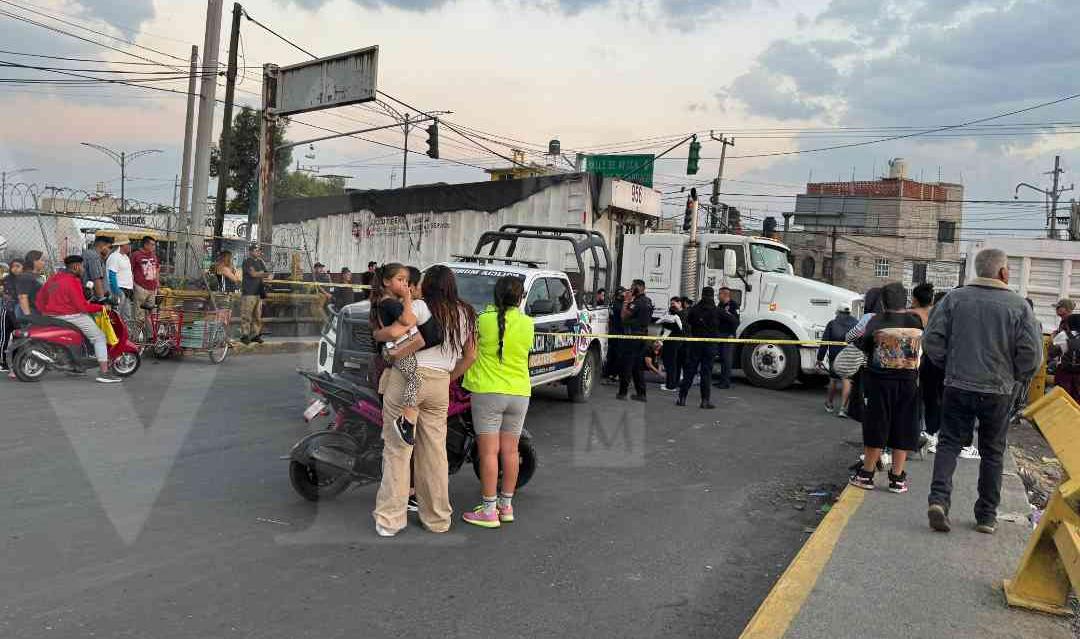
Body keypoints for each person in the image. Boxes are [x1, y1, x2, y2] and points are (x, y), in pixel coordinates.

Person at [925, 248, 1042, 534]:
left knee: (950, 443)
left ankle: (939, 500)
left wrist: (949, 365)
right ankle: (986, 516)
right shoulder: (1018, 306)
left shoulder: (954, 298)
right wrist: (1014, 376)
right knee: (992, 451)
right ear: (1003, 272)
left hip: (958, 384)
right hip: (998, 390)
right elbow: (1032, 356)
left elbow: (932, 340)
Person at [373, 265, 476, 537]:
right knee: (434, 453)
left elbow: (395, 333)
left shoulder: (419, 307)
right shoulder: (466, 313)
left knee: (398, 449)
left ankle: (390, 521)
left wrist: (379, 339)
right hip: (440, 384)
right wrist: (447, 378)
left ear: (427, 285)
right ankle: (438, 519)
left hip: (408, 379)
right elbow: (470, 356)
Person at [461, 275, 534, 528]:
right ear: (520, 297)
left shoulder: (482, 321)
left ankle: (489, 511)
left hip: (488, 392)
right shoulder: (528, 324)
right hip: (520, 393)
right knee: (511, 451)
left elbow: (468, 352)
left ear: (495, 296)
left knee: (489, 452)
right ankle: (506, 506)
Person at [849, 282, 924, 494]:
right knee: (903, 426)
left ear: (883, 302)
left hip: (879, 381)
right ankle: (897, 478)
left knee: (877, 425)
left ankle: (867, 475)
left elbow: (861, 344)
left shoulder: (876, 320)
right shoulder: (915, 321)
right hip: (909, 382)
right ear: (906, 300)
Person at [370, 263, 443, 446]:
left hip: (390, 351)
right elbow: (407, 319)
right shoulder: (390, 303)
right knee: (416, 380)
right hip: (398, 351)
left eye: (407, 281)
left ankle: (391, 424)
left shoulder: (383, 301)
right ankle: (405, 421)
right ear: (387, 281)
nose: (404, 284)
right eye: (400, 280)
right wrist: (408, 297)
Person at [35, 255, 122, 384]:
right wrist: (102, 307)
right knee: (99, 337)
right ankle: (104, 372)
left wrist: (47, 311)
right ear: (76, 267)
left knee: (79, 336)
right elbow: (82, 307)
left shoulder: (53, 278)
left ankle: (75, 366)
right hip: (70, 315)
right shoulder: (73, 281)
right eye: (82, 267)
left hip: (50, 315)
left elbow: (39, 299)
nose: (83, 269)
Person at [678, 287, 721, 409]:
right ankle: (705, 401)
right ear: (713, 296)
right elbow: (733, 321)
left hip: (696, 343)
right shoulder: (716, 310)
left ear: (702, 295)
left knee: (690, 371)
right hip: (710, 345)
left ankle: (682, 398)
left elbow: (688, 321)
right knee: (706, 373)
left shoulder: (695, 309)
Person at [817, 304, 858, 417]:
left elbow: (825, 342)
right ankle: (843, 409)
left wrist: (820, 358)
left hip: (835, 356)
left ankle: (829, 404)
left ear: (838, 312)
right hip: (850, 356)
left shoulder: (832, 323)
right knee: (847, 381)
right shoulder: (856, 323)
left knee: (833, 380)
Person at [617, 279, 653, 401]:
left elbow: (624, 316)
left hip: (633, 337)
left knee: (627, 364)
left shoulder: (637, 302)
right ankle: (641, 394)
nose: (631, 289)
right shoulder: (648, 301)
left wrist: (626, 301)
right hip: (643, 337)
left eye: (633, 287)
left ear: (639, 287)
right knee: (638, 366)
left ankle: (622, 392)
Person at [240, 243, 270, 344]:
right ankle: (245, 335)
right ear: (251, 251)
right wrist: (262, 274)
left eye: (259, 250)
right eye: (256, 250)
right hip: (248, 292)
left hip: (258, 292)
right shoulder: (247, 261)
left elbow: (268, 274)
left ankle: (255, 334)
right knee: (247, 315)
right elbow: (253, 274)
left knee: (257, 316)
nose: (258, 252)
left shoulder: (261, 262)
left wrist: (262, 274)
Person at [130, 236, 160, 325]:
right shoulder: (136, 255)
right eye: (152, 245)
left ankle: (150, 337)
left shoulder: (153, 255)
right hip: (140, 287)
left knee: (151, 315)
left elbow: (157, 269)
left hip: (152, 288)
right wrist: (133, 285)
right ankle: (137, 336)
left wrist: (157, 284)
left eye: (154, 245)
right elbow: (130, 270)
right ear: (145, 244)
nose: (154, 247)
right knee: (139, 315)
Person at [658, 296, 685, 391]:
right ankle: (673, 383)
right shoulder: (679, 314)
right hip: (675, 342)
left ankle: (670, 385)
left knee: (671, 364)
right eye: (671, 304)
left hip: (674, 342)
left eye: (673, 303)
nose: (672, 305)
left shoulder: (680, 315)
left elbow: (669, 329)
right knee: (674, 364)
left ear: (679, 303)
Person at [715, 287, 740, 389]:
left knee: (726, 359)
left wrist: (731, 333)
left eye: (719, 294)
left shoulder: (733, 305)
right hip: (720, 334)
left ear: (725, 295)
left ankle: (725, 383)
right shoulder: (720, 305)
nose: (718, 296)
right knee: (721, 358)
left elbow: (736, 321)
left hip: (728, 335)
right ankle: (721, 380)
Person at [0, 259, 22, 374]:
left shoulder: (24, 280)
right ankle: (3, 363)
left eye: (18, 266)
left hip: (19, 314)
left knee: (18, 339)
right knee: (4, 337)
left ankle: (16, 362)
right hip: (7, 312)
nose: (15, 268)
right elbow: (4, 294)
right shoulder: (6, 280)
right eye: (13, 266)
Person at [1054, 314, 1080, 403]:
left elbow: (1052, 352)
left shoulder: (1063, 335)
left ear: (1068, 324)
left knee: (1062, 399)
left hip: (1064, 373)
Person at [106, 238, 134, 321]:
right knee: (116, 316)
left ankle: (124, 333)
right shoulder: (115, 257)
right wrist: (117, 291)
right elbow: (112, 275)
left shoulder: (125, 257)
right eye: (128, 244)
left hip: (127, 291)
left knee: (126, 316)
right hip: (120, 290)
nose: (129, 246)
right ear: (121, 245)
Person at [604, 286, 626, 382]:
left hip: (613, 331)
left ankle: (609, 373)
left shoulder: (614, 304)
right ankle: (614, 373)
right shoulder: (619, 305)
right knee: (617, 354)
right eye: (624, 293)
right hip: (618, 332)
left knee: (612, 353)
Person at [15, 250, 45, 318]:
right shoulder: (25, 277)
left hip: (38, 311)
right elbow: (22, 297)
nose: (44, 262)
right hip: (30, 312)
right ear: (34, 261)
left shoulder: (37, 276)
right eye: (42, 260)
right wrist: (28, 316)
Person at [81, 236, 111, 300]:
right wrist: (102, 299)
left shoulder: (89, 254)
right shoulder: (94, 257)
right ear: (102, 245)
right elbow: (96, 279)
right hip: (94, 299)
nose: (109, 250)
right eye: (109, 247)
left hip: (88, 296)